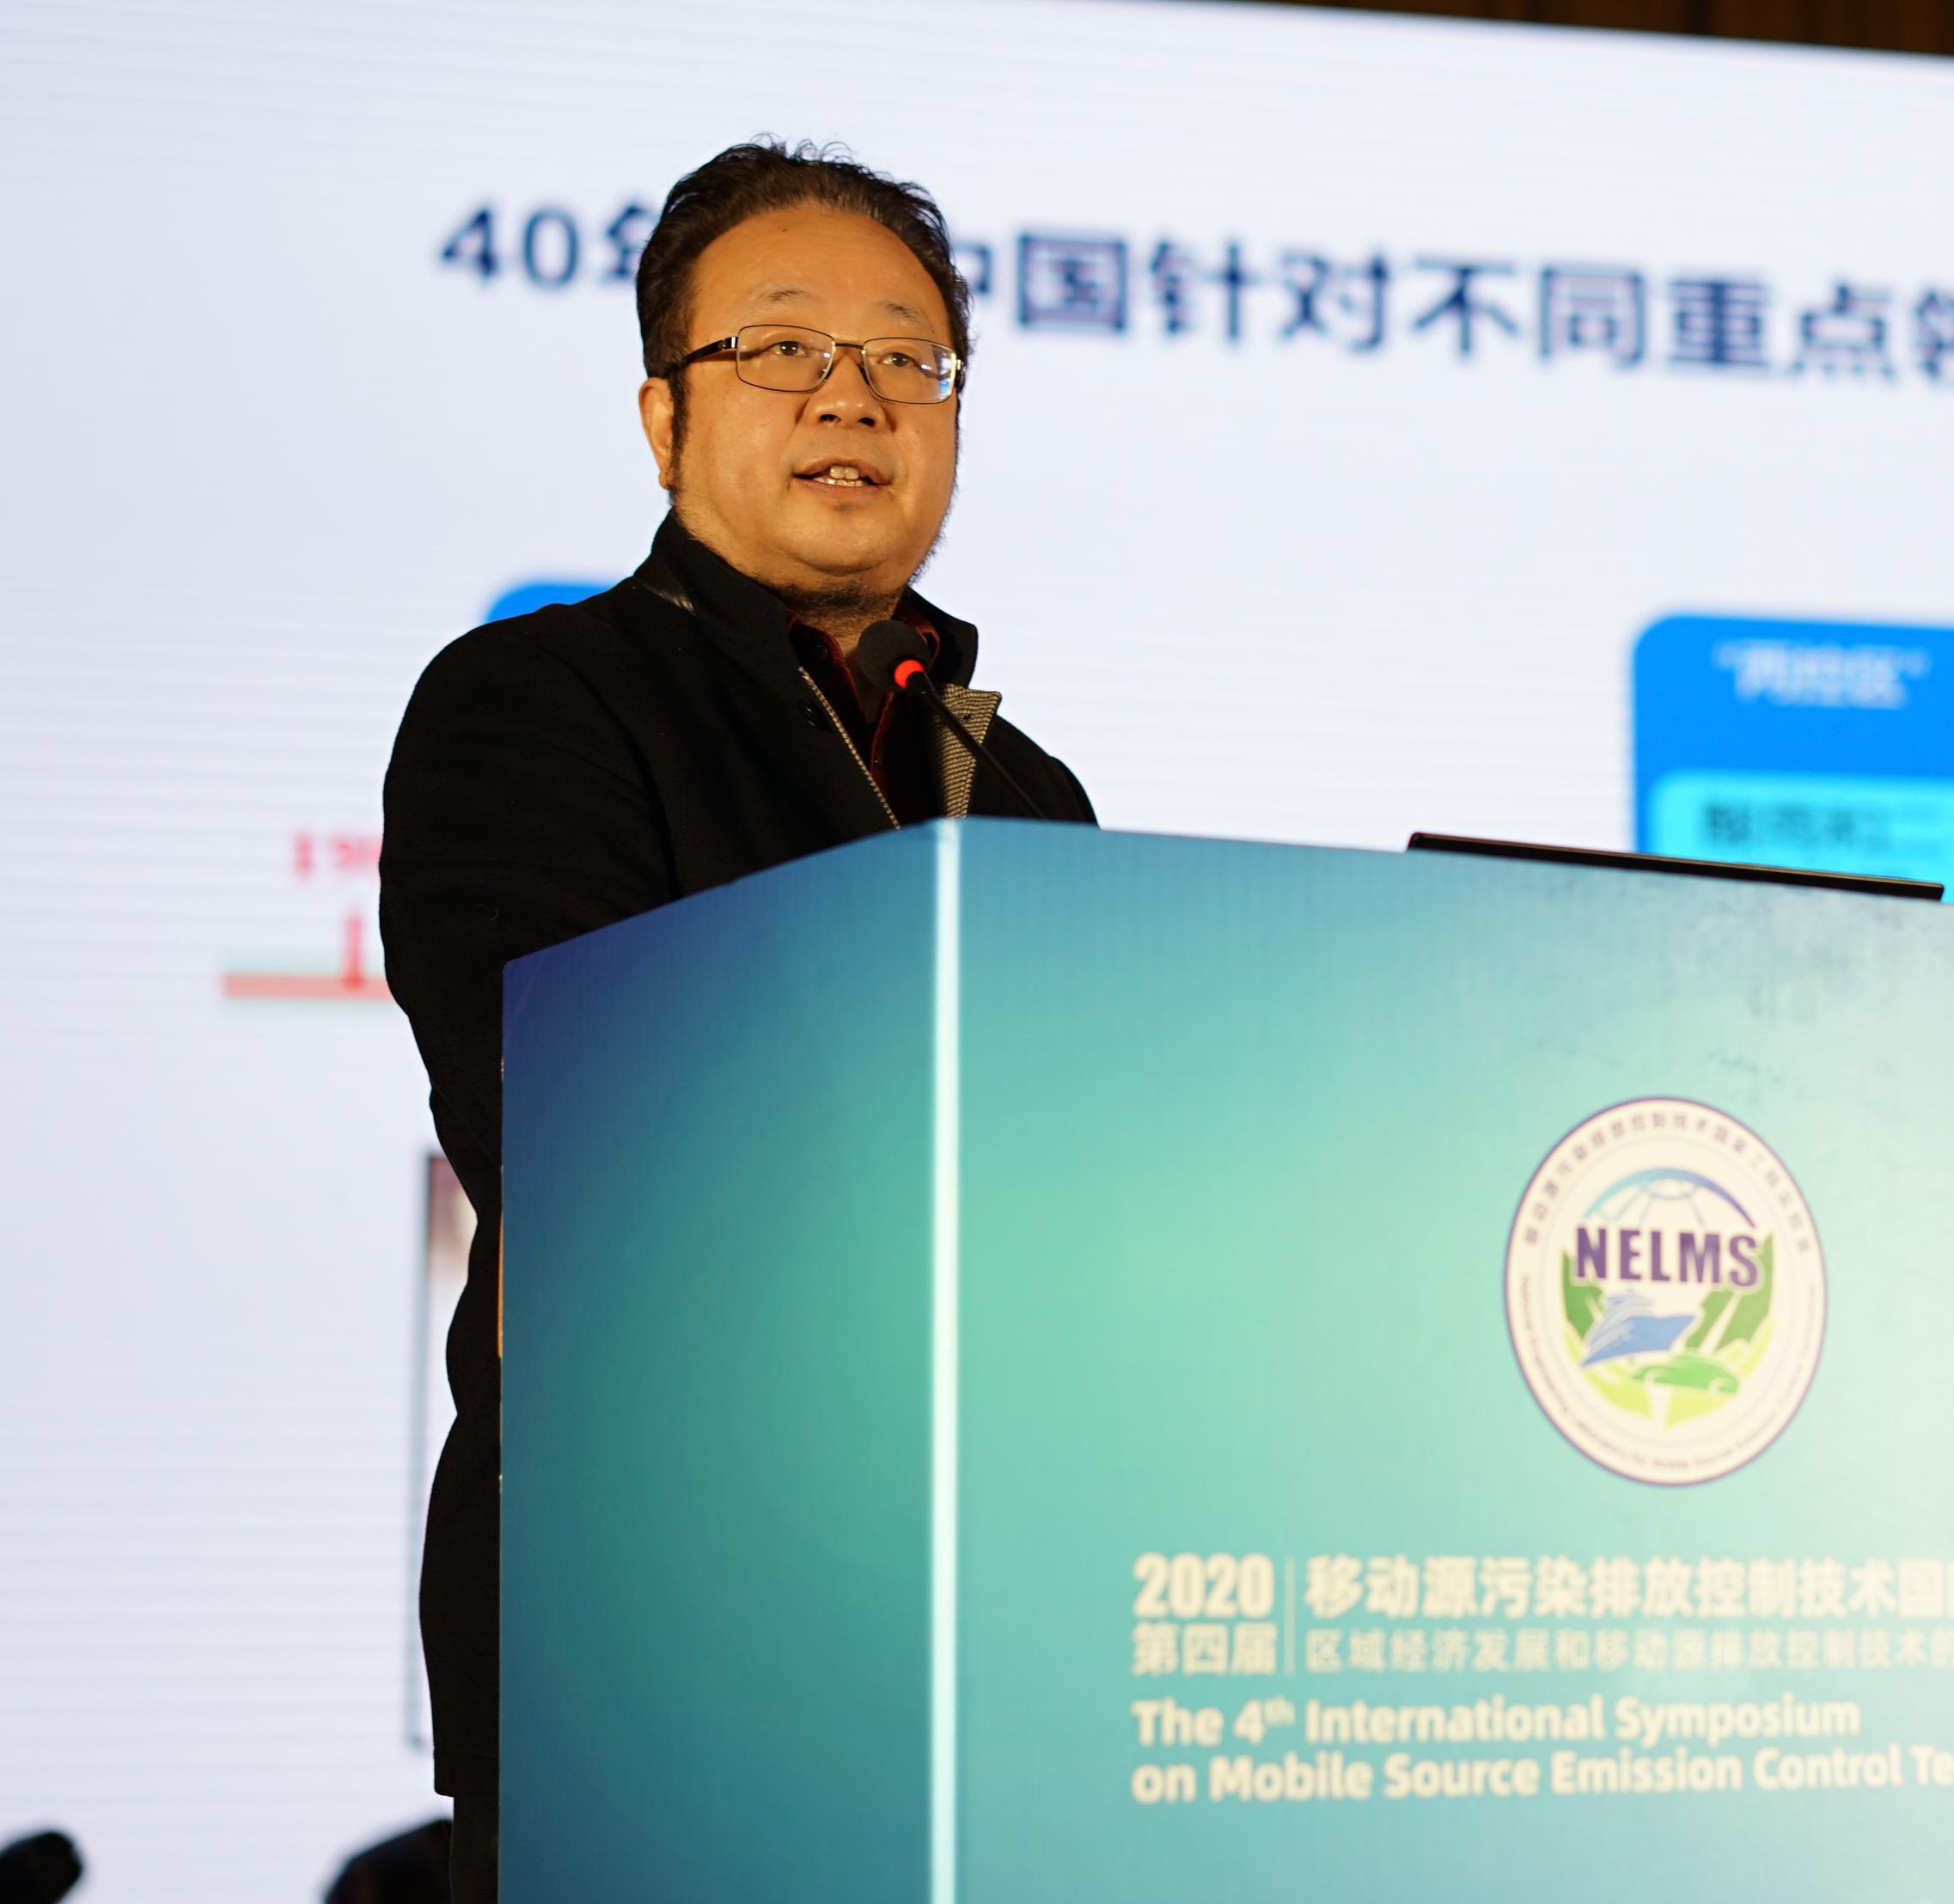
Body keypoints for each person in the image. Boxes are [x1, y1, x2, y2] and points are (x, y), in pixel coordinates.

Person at [382, 140, 1098, 1902]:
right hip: (660, 1652)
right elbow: (594, 1137)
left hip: (1006, 1644)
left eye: (906, 358)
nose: (852, 397)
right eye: (780, 347)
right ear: (663, 418)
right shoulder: (536, 705)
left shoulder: (1028, 792)